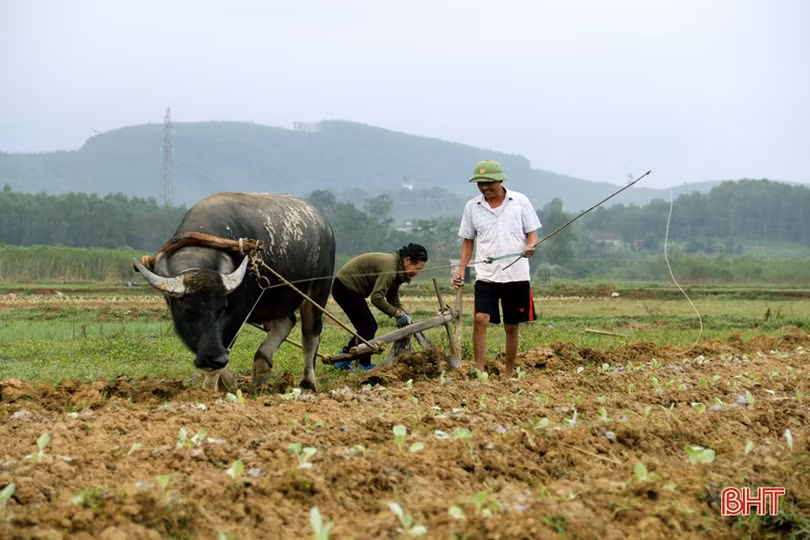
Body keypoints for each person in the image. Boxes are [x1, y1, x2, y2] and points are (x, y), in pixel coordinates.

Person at [453, 160, 541, 379]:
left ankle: (509, 372)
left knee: (512, 325)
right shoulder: (472, 207)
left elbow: (532, 233)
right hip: (487, 275)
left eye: (489, 184)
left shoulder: (520, 201)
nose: (485, 188)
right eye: (480, 184)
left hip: (516, 275)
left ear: (500, 181)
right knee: (481, 318)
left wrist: (530, 246)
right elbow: (467, 242)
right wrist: (461, 269)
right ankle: (479, 370)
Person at [331, 243, 429, 370]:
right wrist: (397, 314)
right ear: (407, 260)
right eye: (417, 268)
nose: (417, 273)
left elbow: (392, 296)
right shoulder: (390, 268)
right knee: (368, 327)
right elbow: (377, 298)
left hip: (352, 290)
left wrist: (404, 313)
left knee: (367, 327)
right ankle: (364, 365)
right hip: (345, 287)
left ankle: (344, 359)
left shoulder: (397, 268)